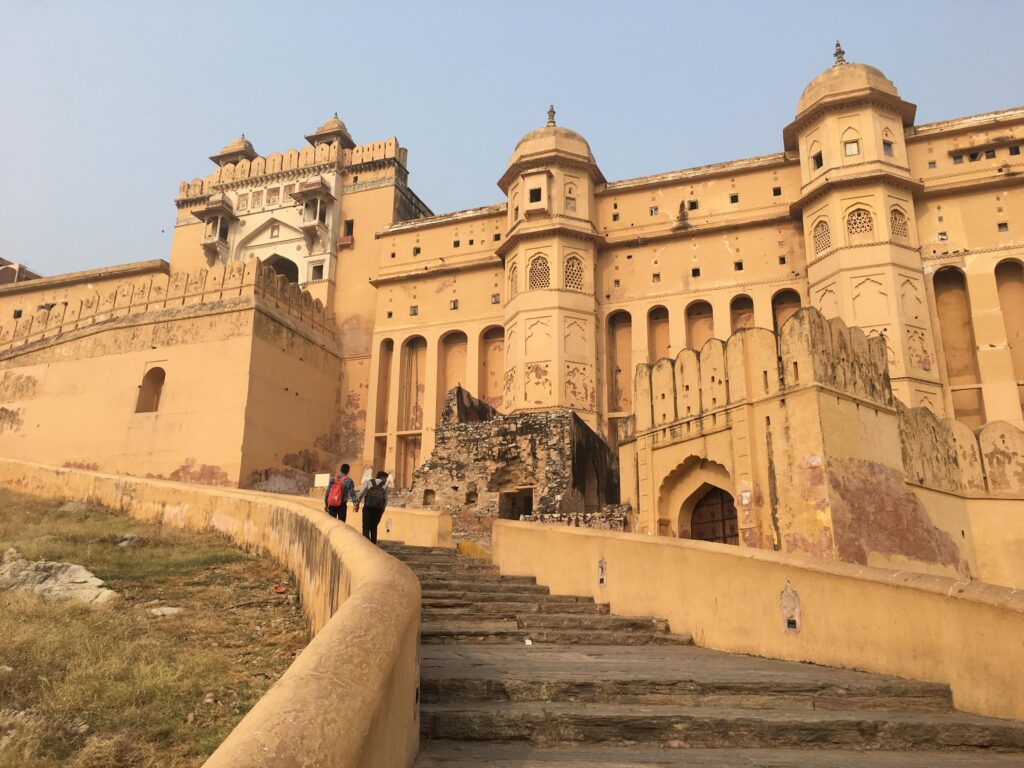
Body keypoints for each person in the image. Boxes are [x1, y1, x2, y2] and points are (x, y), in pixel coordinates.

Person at [355, 470, 389, 544]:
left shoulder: (369, 482)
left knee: (365, 526)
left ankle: (366, 544)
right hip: (378, 509)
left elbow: (361, 492)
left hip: (368, 507)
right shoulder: (385, 486)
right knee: (374, 528)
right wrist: (382, 510)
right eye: (386, 478)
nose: (386, 481)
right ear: (382, 477)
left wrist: (357, 502)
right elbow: (386, 500)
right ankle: (373, 544)